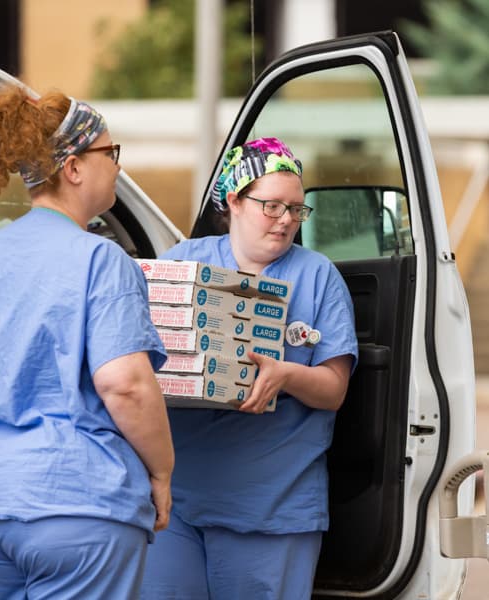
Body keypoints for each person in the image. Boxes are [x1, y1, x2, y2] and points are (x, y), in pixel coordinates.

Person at [0, 84, 174, 599]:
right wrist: (161, 472)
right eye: (109, 153)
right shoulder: (102, 260)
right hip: (76, 506)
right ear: (73, 168)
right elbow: (126, 385)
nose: (115, 164)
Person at [140, 137, 358, 600]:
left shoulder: (318, 277)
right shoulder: (183, 263)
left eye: (297, 210)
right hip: (175, 503)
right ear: (234, 201)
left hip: (270, 508)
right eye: (272, 206)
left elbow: (334, 389)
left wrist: (287, 375)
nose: (286, 221)